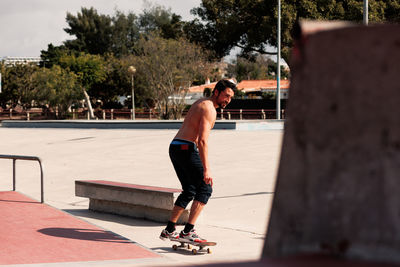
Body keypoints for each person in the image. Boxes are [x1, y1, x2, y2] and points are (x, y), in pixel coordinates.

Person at [160, 79, 236, 243]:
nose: (227, 100)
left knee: (189, 190)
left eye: (230, 98)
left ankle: (170, 229)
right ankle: (188, 232)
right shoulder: (209, 109)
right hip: (186, 148)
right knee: (205, 188)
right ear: (216, 92)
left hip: (175, 147)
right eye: (226, 96)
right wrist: (207, 170)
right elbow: (202, 141)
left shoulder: (202, 102)